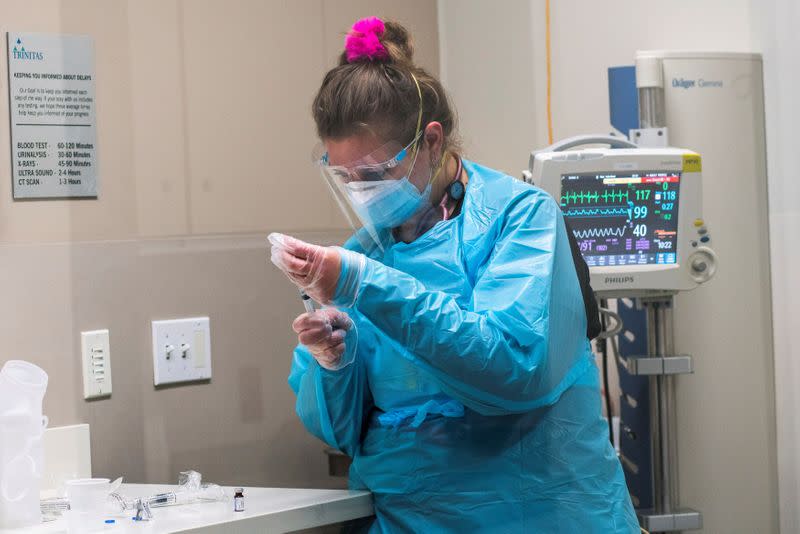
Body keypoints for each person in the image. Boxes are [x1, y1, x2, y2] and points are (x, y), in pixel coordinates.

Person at [269, 16, 639, 533]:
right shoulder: (363, 255)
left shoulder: (521, 219)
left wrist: (362, 285)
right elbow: (340, 432)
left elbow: (512, 367)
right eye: (344, 176)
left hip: (539, 516)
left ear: (431, 141)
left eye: (373, 174)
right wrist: (334, 364)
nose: (360, 191)